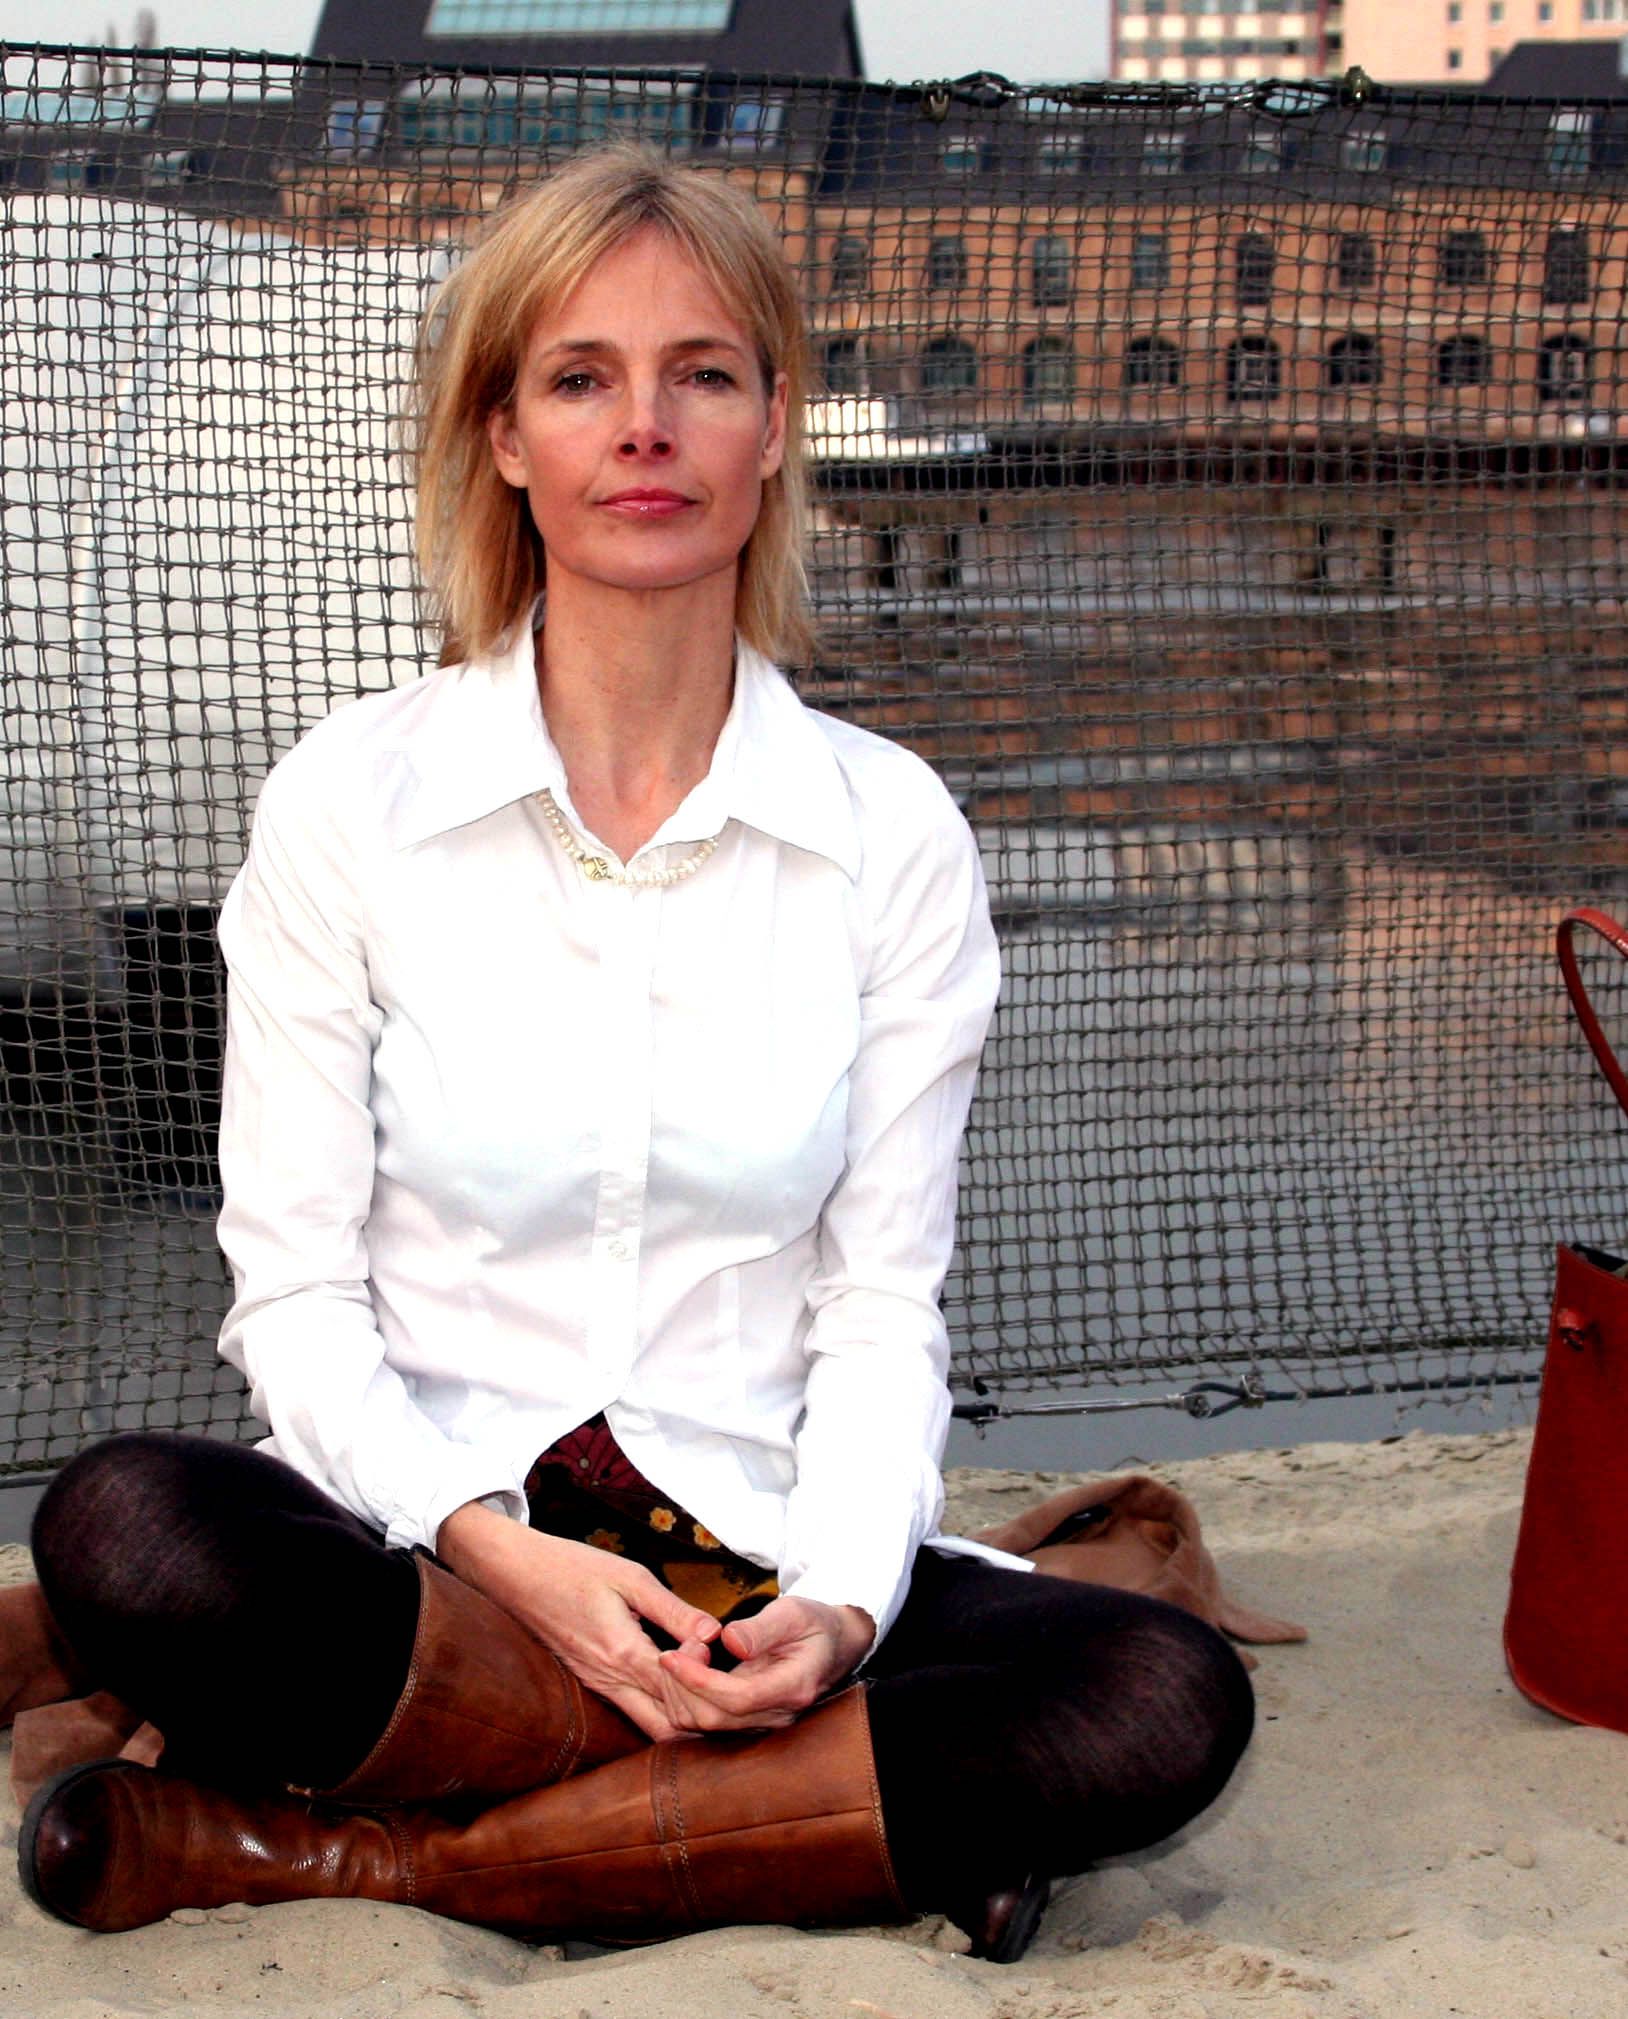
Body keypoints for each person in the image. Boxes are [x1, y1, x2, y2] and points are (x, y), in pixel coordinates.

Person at [17, 147, 1254, 1960]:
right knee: (127, 1524)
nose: (646, 428)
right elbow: (294, 1297)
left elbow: (879, 1307)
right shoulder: (351, 803)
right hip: (429, 1544)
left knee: (1163, 1701)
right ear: (507, 437)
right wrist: (508, 1557)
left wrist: (837, 1607)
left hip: (741, 1549)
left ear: (774, 430)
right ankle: (780, 1823)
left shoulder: (890, 831)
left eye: (703, 374)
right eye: (582, 377)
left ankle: (367, 1854)